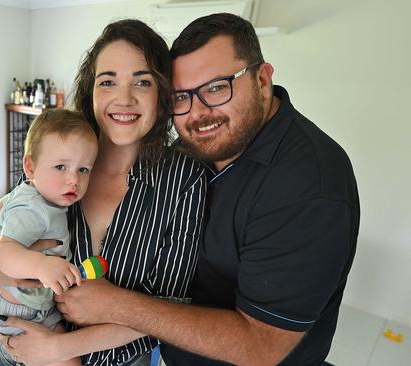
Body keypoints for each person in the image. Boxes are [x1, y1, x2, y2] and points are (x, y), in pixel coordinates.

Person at [51, 13, 360, 366]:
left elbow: (262, 346)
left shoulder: (309, 185)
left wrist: (111, 306)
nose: (199, 113)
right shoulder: (201, 151)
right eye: (182, 96)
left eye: (216, 87)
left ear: (262, 80)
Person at [0, 19, 207, 366]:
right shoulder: (60, 155)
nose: (123, 98)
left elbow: (173, 308)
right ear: (91, 91)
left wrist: (62, 349)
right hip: (20, 353)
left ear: (162, 94)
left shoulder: (184, 179)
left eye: (142, 81)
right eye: (107, 81)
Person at [0, 108, 98, 366]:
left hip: (36, 303)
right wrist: (41, 265)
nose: (73, 180)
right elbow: (3, 254)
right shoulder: (33, 209)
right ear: (30, 166)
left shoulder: (30, 192)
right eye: (60, 167)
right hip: (23, 310)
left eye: (84, 169)